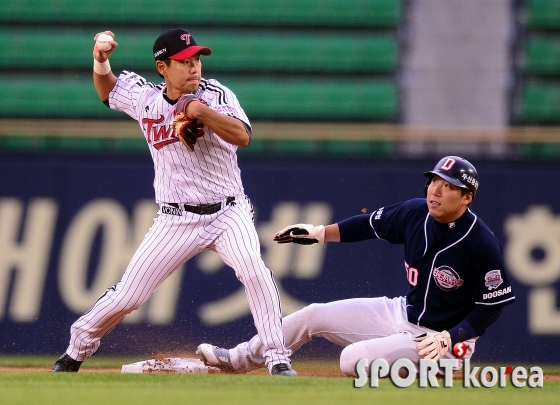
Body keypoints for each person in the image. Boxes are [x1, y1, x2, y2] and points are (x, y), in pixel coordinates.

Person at [51, 29, 296, 376]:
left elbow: (243, 136)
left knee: (253, 269)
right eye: (184, 62)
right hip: (174, 218)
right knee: (128, 297)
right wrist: (100, 59)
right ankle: (74, 353)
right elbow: (108, 91)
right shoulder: (146, 100)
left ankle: (277, 358)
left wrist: (200, 112)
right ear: (163, 67)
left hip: (228, 211)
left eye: (197, 59)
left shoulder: (215, 94)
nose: (194, 67)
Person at [197, 156, 515, 376]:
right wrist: (320, 233)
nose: (435, 189)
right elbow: (368, 225)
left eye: (447, 185)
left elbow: (491, 307)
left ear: (467, 198)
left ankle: (446, 370)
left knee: (352, 360)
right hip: (403, 312)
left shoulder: (480, 243)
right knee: (313, 315)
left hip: (440, 341)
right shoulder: (415, 212)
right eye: (434, 180)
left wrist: (450, 338)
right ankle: (236, 359)